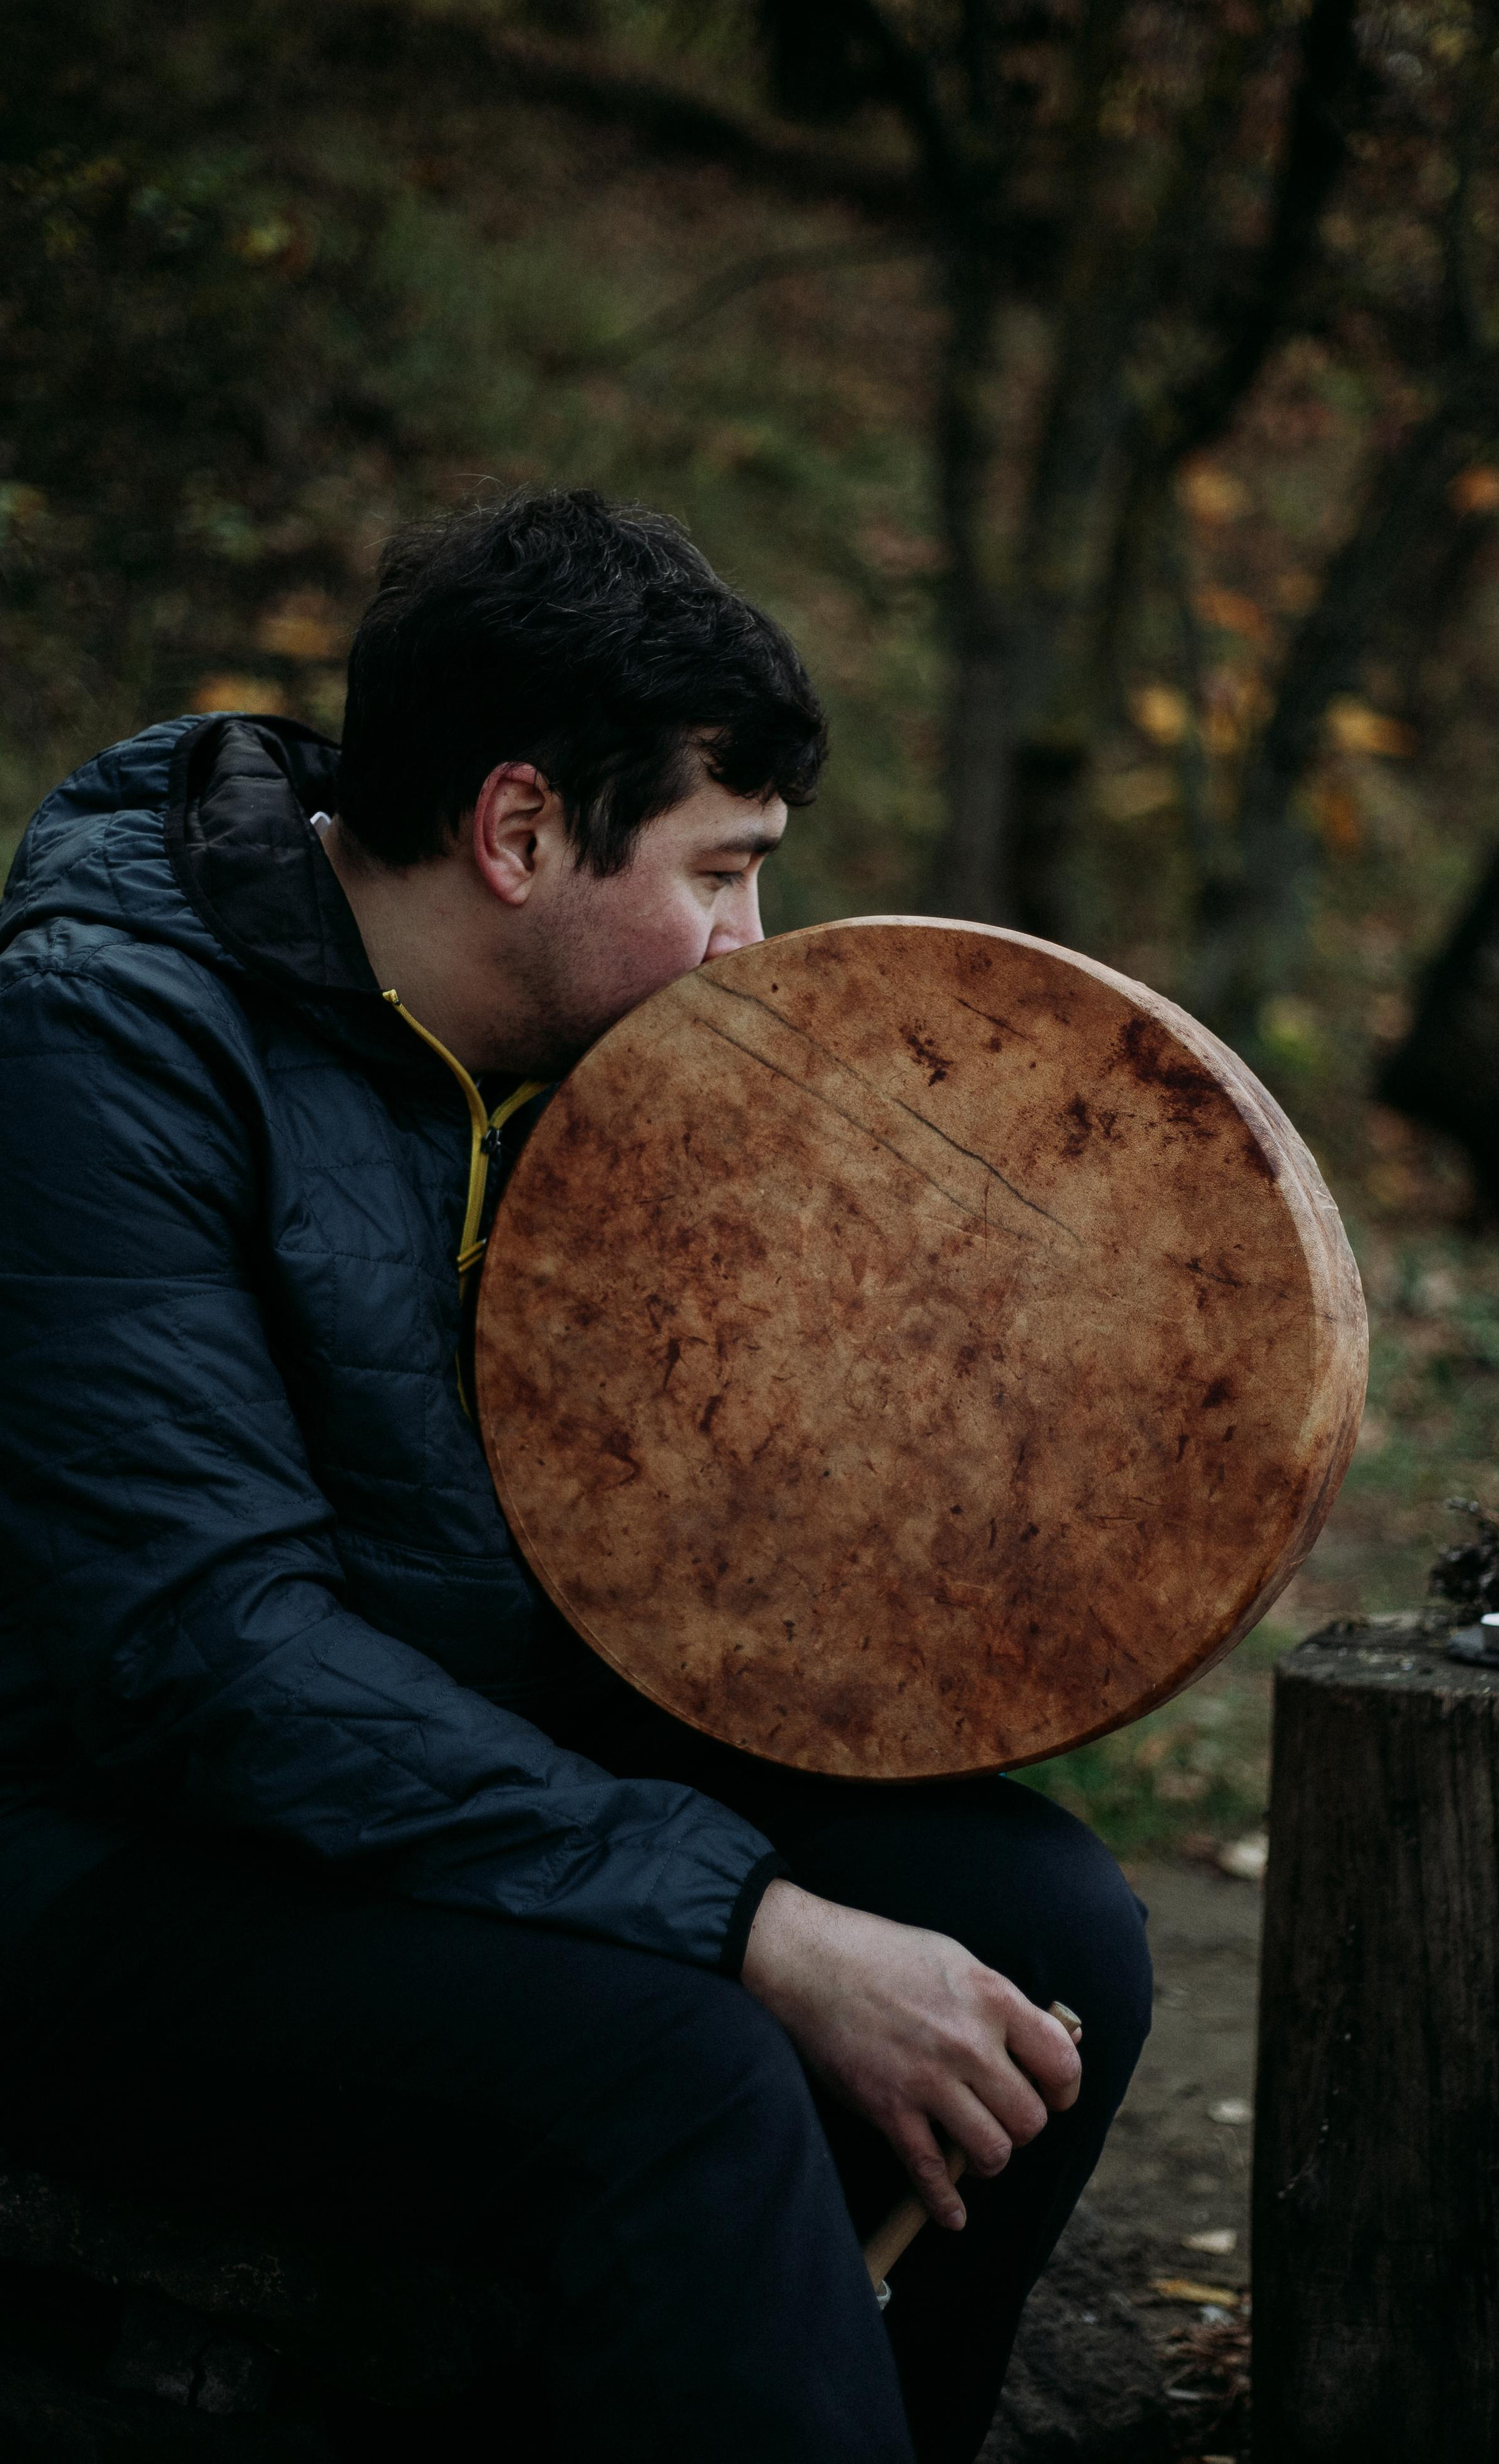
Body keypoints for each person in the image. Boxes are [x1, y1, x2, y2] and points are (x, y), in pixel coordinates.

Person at [0, 489, 1151, 2461]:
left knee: (1050, 1940)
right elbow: (204, 1659)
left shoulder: (594, 1052)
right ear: (520, 833)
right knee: (688, 2067)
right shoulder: (98, 1046)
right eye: (722, 876)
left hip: (437, 1771)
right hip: (112, 1857)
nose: (750, 949)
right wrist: (752, 1919)